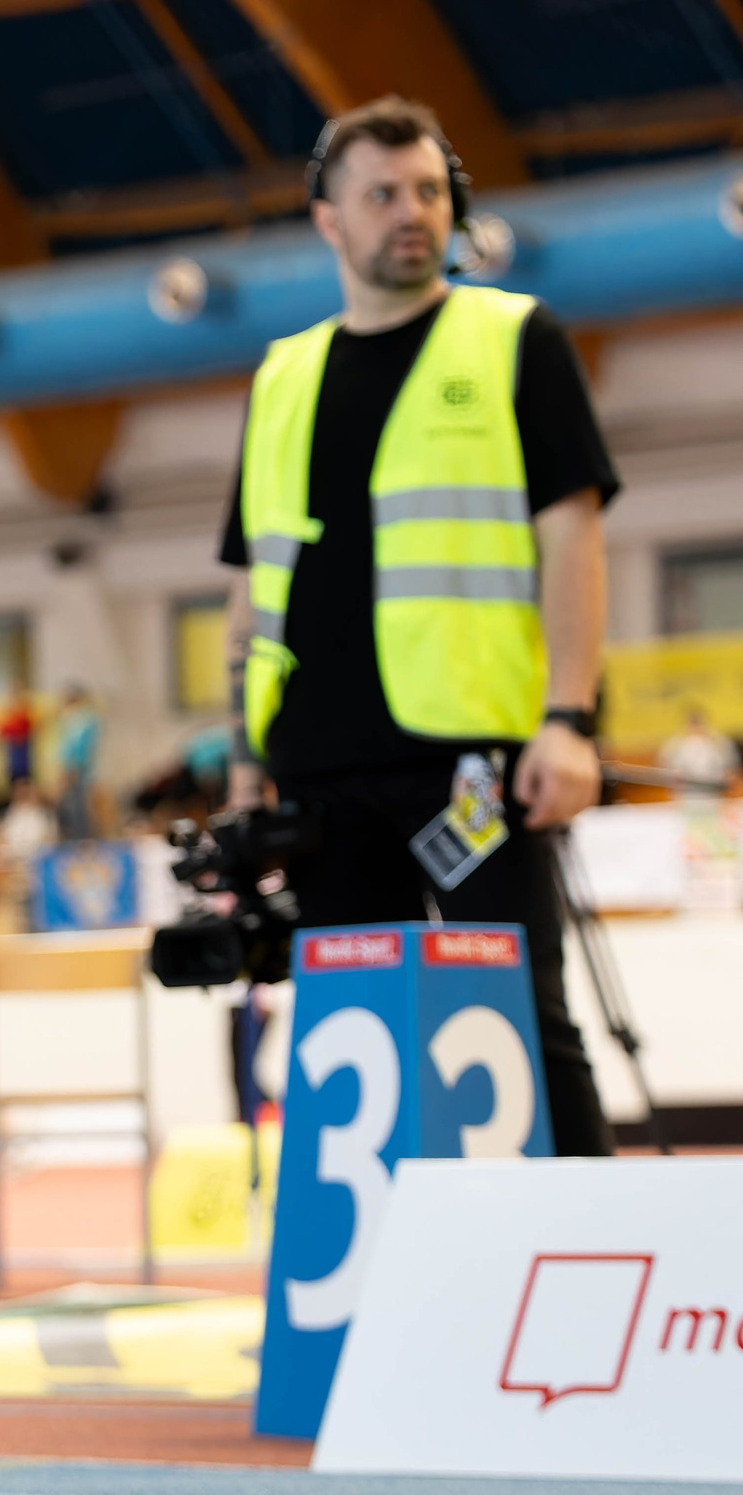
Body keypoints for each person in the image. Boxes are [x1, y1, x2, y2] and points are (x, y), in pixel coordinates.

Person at [222, 95, 616, 1155]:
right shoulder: (282, 376)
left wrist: (569, 718)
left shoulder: (513, 338)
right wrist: (246, 765)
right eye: (383, 194)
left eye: (431, 191)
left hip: (477, 764)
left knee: (523, 1023)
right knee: (348, 1036)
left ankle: (585, 1280)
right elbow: (251, 583)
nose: (412, 211)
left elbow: (572, 539)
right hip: (317, 771)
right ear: (328, 222)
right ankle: (378, 1298)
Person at [54, 685, 101, 841]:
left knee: (78, 807)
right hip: (71, 768)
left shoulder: (83, 720)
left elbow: (80, 748)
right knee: (70, 806)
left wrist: (73, 768)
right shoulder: (70, 719)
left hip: (77, 770)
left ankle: (82, 839)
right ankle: (75, 837)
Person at [658, 707, 738, 798]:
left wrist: (728, 777)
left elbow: (729, 767)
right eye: (692, 723)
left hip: (713, 791)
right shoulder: (674, 743)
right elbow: (666, 766)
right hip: (685, 792)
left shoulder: (718, 741)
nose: (696, 727)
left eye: (699, 723)